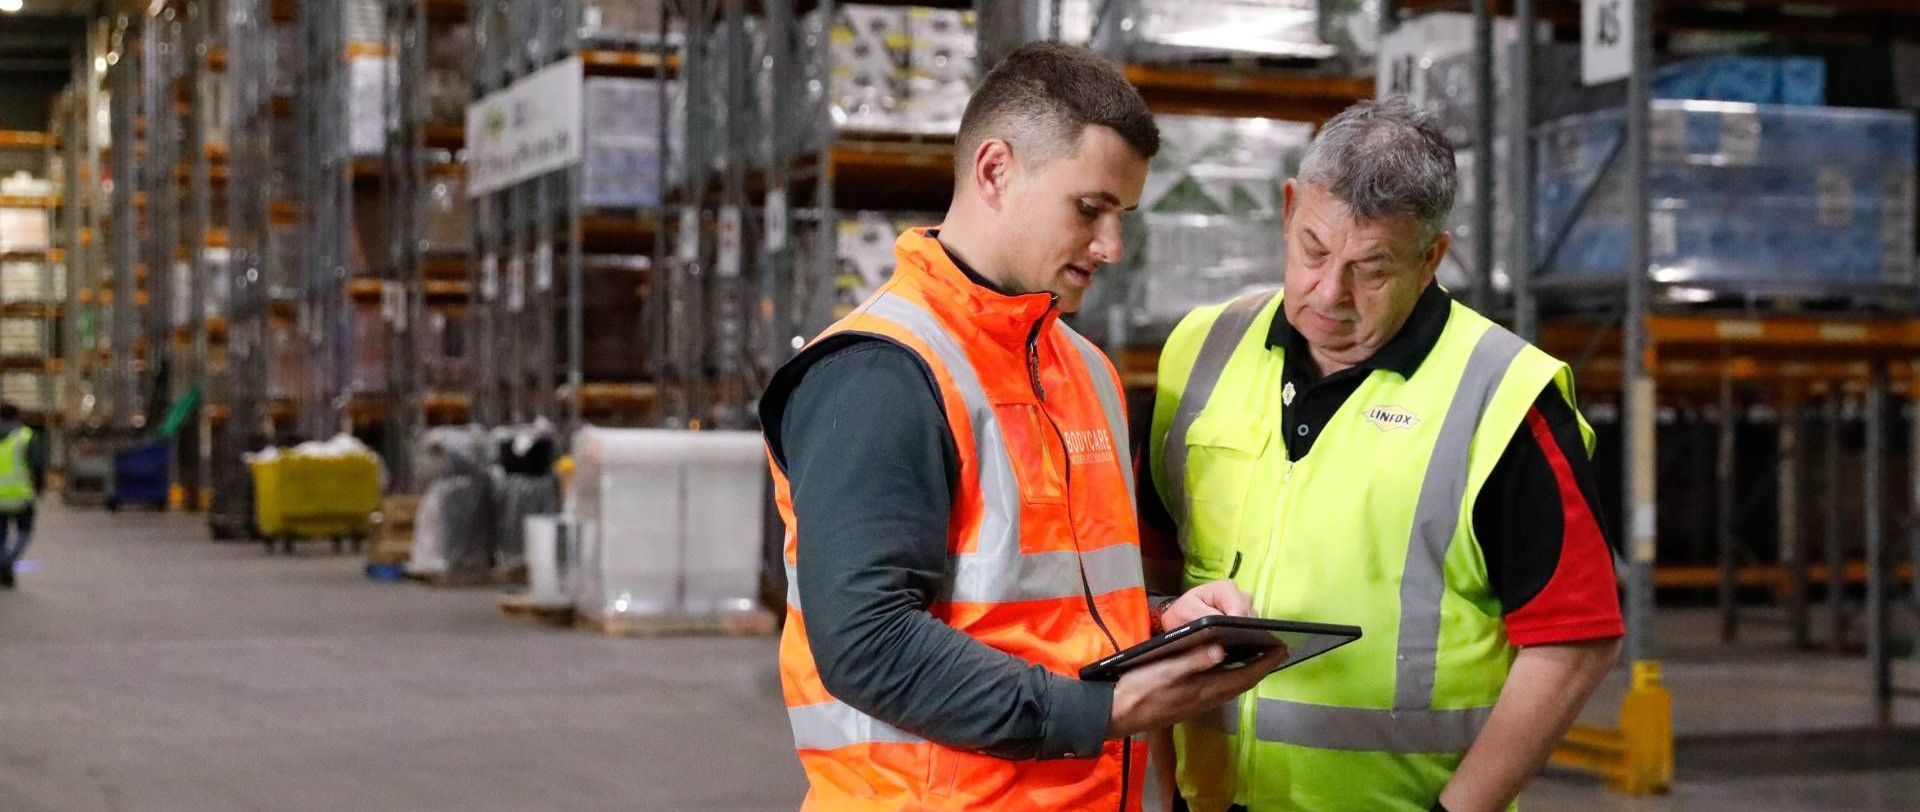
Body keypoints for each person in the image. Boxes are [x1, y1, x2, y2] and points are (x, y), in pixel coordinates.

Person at [759, 42, 1282, 811]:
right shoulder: (880, 373)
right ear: (995, 170)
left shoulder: (1085, 369)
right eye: (1090, 209)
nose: (1112, 247)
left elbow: (1037, 606)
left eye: (1123, 215)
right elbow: (867, 645)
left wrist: (1161, 623)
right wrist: (1105, 711)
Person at [1141, 98, 1625, 811]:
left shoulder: (1503, 397)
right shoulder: (1200, 351)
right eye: (1313, 249)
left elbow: (1575, 637)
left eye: (1372, 269)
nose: (1329, 293)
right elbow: (1137, 583)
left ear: (1432, 257)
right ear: (1287, 207)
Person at [0, 402, 48, 588]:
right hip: (21, 496)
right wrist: (40, 486)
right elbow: (37, 465)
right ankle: (8, 562)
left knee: (1, 535)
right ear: (17, 416)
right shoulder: (26, 436)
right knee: (25, 532)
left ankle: (3, 563)